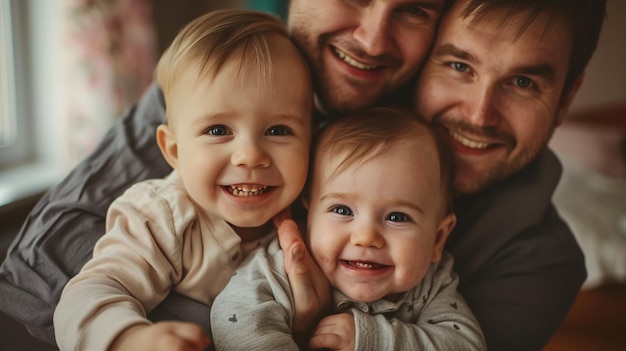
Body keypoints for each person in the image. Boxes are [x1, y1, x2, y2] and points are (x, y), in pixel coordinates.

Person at [0, 0, 607, 350]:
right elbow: (33, 275)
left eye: (525, 80)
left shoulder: (538, 261)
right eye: (460, 65)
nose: (250, 156)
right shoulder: (214, 90)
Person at [52, 9, 312, 351]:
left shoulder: (315, 213)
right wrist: (129, 338)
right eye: (218, 130)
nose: (250, 155)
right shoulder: (164, 215)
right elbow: (92, 291)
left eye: (278, 130)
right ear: (174, 151)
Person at [211, 107, 486, 350]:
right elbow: (235, 316)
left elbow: (467, 345)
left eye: (398, 217)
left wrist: (375, 339)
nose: (366, 237)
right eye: (342, 211)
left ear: (438, 239)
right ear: (309, 214)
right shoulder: (285, 263)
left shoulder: (430, 284)